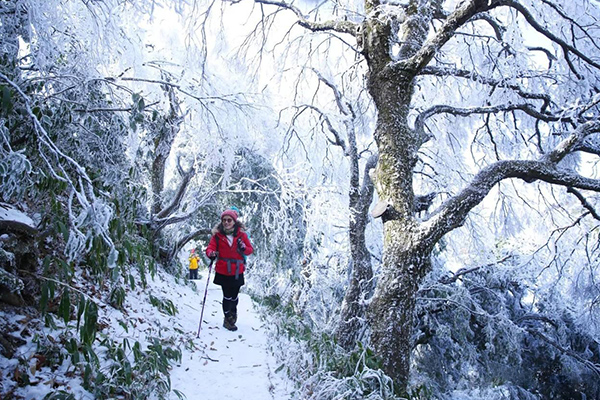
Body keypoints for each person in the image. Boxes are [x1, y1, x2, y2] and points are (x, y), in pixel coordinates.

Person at [205, 208, 253, 331]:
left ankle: (233, 312)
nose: (226, 222)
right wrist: (211, 253)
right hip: (223, 270)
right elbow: (210, 248)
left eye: (229, 220)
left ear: (234, 221)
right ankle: (228, 319)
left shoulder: (241, 235)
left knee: (234, 296)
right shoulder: (217, 236)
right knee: (227, 296)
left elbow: (249, 250)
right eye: (224, 220)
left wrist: (243, 248)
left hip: (237, 270)